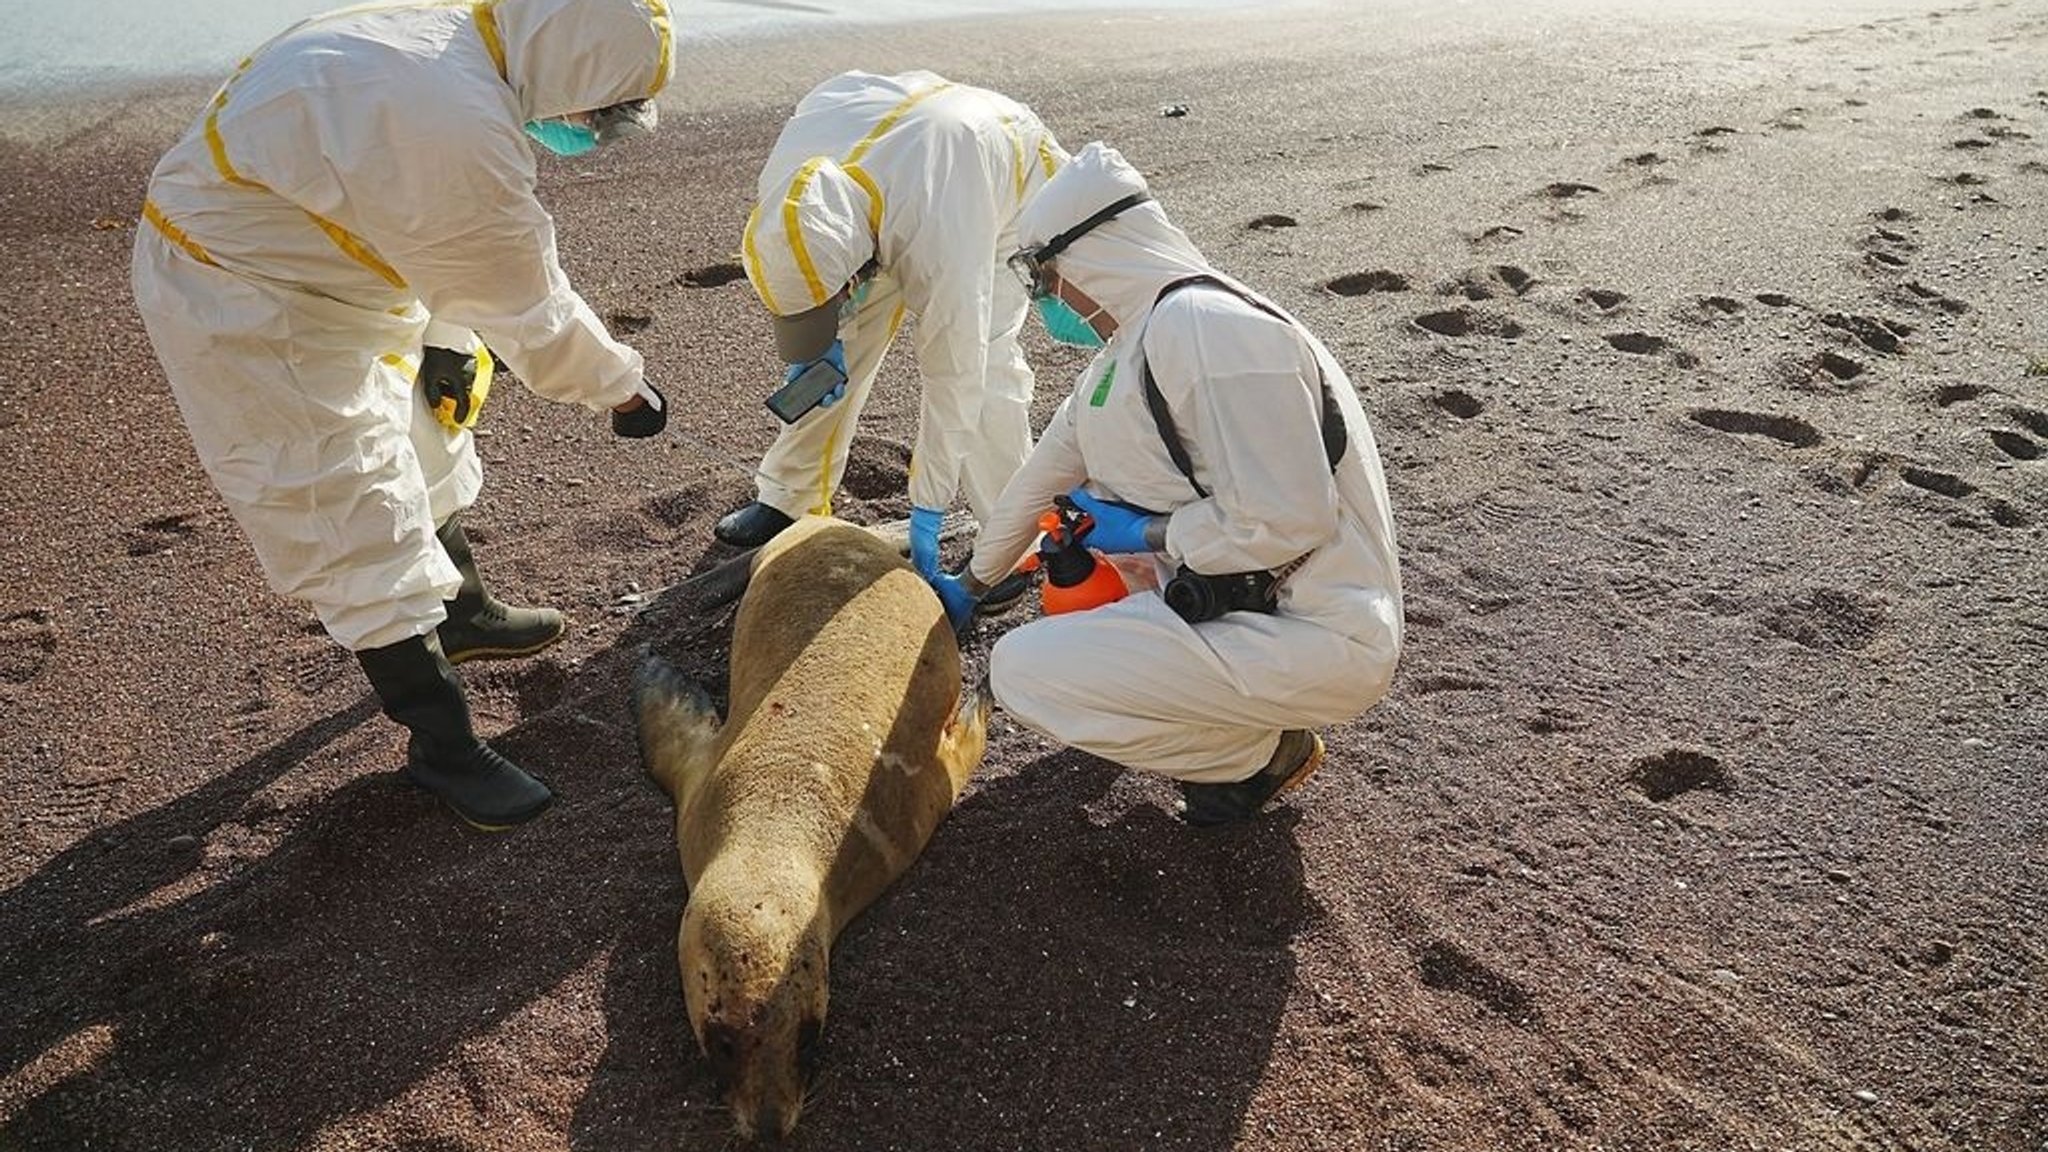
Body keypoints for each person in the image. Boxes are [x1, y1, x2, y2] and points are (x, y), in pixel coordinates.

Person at [130, 0, 676, 830]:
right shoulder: (450, 120)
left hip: (338, 265)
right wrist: (624, 390)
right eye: (598, 112)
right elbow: (526, 300)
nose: (588, 131)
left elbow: (429, 228)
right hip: (246, 298)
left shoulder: (452, 38)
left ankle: (461, 614)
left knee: (429, 439)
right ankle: (445, 748)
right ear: (573, 65)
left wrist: (448, 333)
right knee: (349, 504)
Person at [932, 143, 1404, 826]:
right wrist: (969, 585)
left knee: (1022, 671)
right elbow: (1039, 481)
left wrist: (1148, 532)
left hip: (1321, 632)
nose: (1047, 300)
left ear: (1093, 253)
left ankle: (1252, 754)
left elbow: (1289, 520)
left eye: (1045, 277)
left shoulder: (1214, 331)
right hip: (1238, 602)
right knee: (1075, 606)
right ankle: (1241, 733)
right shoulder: (1126, 355)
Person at [716, 70, 1067, 609]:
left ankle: (1010, 539)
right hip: (901, 166)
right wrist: (812, 343)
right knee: (839, 350)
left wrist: (928, 505)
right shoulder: (790, 189)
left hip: (998, 188)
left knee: (988, 365)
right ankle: (791, 497)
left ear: (861, 263)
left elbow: (956, 373)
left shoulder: (943, 233)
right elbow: (810, 264)